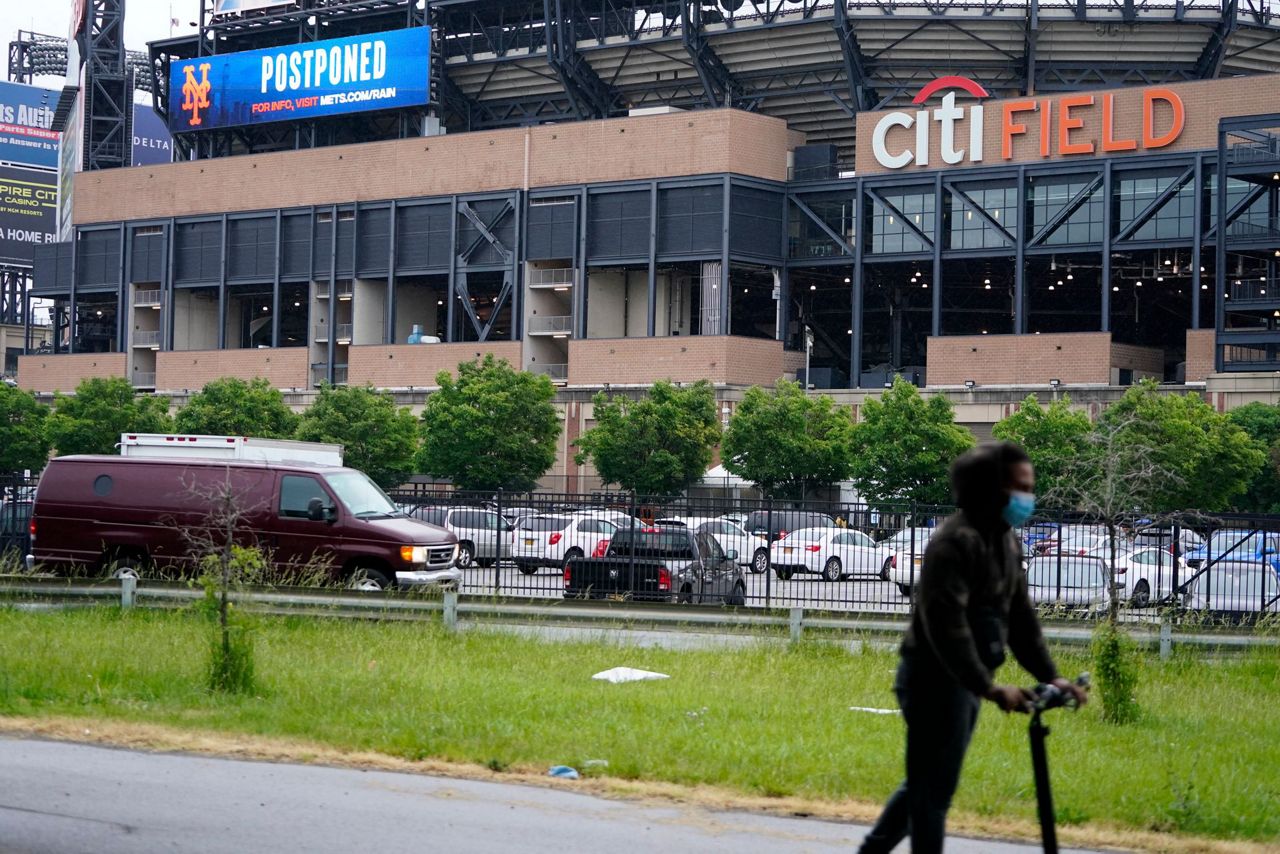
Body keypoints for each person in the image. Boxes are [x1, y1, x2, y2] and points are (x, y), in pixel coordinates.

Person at [858, 442, 1087, 854]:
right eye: (1020, 487)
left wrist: (1051, 676)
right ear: (988, 490)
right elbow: (948, 628)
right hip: (931, 680)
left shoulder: (1006, 541)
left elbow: (1021, 618)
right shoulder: (953, 543)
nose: (1028, 497)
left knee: (928, 786)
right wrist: (990, 688)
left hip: (966, 682)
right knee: (932, 795)